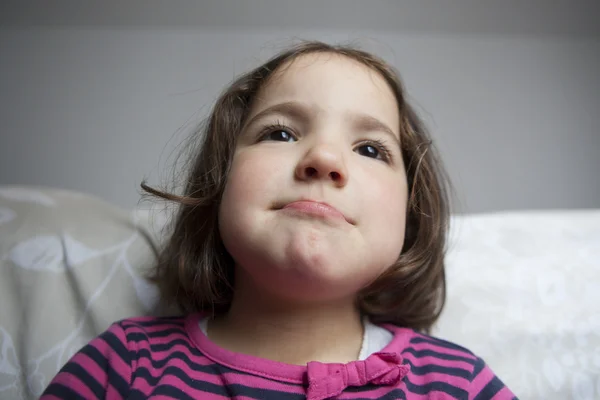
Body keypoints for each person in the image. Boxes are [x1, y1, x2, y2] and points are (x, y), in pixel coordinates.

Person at [41, 40, 517, 399]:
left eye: (370, 149)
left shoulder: (458, 383)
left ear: (411, 218)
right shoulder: (126, 365)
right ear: (219, 182)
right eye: (281, 132)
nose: (323, 158)